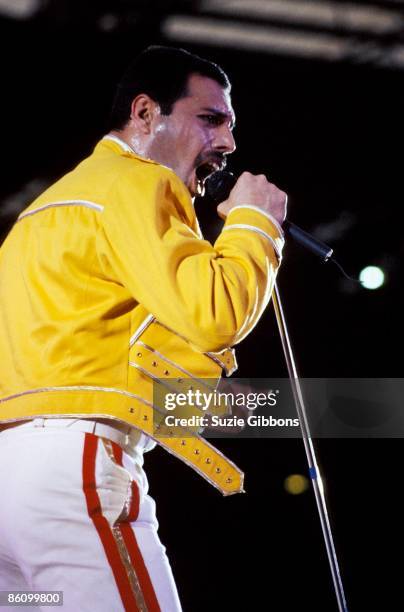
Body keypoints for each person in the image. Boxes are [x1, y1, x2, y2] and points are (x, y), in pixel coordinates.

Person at [0, 46, 287, 611]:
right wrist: (257, 223)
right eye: (210, 120)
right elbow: (216, 314)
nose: (227, 144)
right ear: (145, 112)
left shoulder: (42, 213)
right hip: (74, 473)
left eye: (230, 127)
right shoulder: (138, 183)